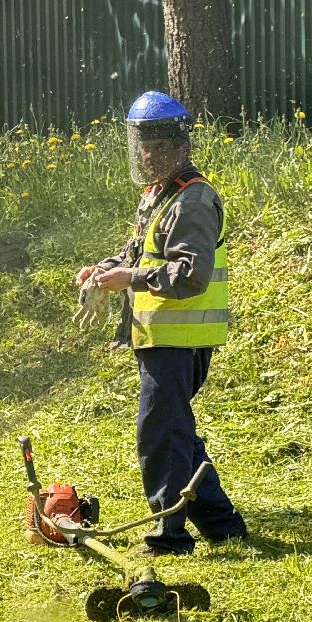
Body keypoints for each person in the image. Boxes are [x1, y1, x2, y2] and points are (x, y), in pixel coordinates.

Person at [75, 90, 248, 555]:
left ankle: (168, 538)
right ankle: (223, 525)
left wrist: (129, 278)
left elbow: (191, 274)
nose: (148, 154)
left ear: (179, 145)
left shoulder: (193, 200)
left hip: (180, 338)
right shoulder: (159, 195)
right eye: (142, 146)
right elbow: (142, 254)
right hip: (160, 336)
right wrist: (103, 270)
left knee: (162, 437)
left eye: (157, 146)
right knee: (178, 435)